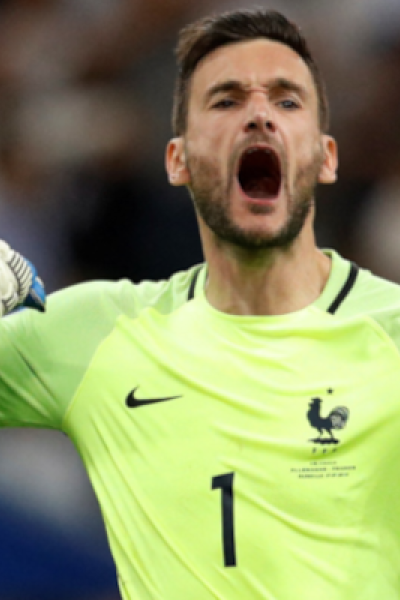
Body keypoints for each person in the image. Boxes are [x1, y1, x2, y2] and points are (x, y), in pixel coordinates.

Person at [1, 7, 400, 600]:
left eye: (287, 101)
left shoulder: (391, 333)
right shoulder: (96, 333)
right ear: (178, 161)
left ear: (326, 156)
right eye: (226, 101)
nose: (259, 116)